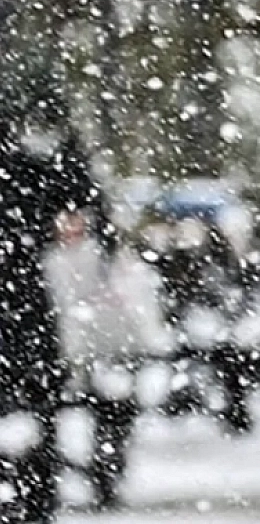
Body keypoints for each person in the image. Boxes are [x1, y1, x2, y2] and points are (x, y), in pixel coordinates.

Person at [1, 115, 108, 522]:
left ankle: (36, 485)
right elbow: (78, 201)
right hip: (25, 305)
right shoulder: (30, 170)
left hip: (22, 306)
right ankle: (38, 490)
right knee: (38, 399)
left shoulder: (26, 171)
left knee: (35, 398)